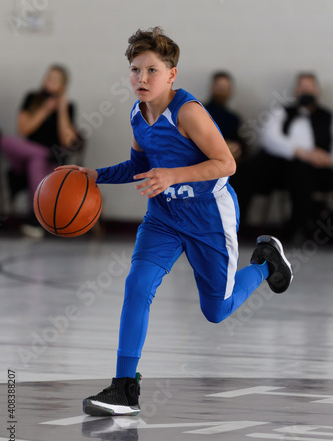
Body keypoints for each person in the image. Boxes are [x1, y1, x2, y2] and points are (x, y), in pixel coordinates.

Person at [57, 27, 293, 417]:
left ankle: (266, 263)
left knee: (216, 311)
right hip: (164, 218)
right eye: (135, 70)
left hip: (208, 217)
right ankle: (124, 388)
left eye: (151, 70)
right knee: (137, 285)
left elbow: (227, 164)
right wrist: (92, 175)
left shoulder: (188, 112)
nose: (142, 78)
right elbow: (137, 166)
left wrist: (172, 175)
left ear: (172, 75)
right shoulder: (137, 113)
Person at [231, 73, 333, 240]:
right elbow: (270, 138)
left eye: (309, 87)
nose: (305, 91)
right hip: (278, 166)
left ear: (317, 91)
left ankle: (297, 229)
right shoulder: (281, 111)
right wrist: (301, 152)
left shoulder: (328, 117)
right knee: (246, 171)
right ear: (296, 91)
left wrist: (326, 158)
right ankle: (236, 228)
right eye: (302, 87)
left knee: (302, 172)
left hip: (314, 170)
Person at [0, 65, 82, 237]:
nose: (50, 81)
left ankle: (36, 218)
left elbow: (67, 141)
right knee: (6, 140)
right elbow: (23, 129)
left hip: (50, 165)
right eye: (49, 77)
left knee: (36, 162)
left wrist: (60, 108)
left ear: (63, 86)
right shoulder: (32, 98)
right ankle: (38, 217)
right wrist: (44, 110)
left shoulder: (68, 107)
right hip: (24, 157)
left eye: (56, 80)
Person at [204, 71, 247, 163]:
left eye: (226, 87)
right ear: (212, 88)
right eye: (219, 87)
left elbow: (240, 143)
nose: (222, 91)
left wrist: (236, 147)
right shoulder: (200, 111)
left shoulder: (233, 118)